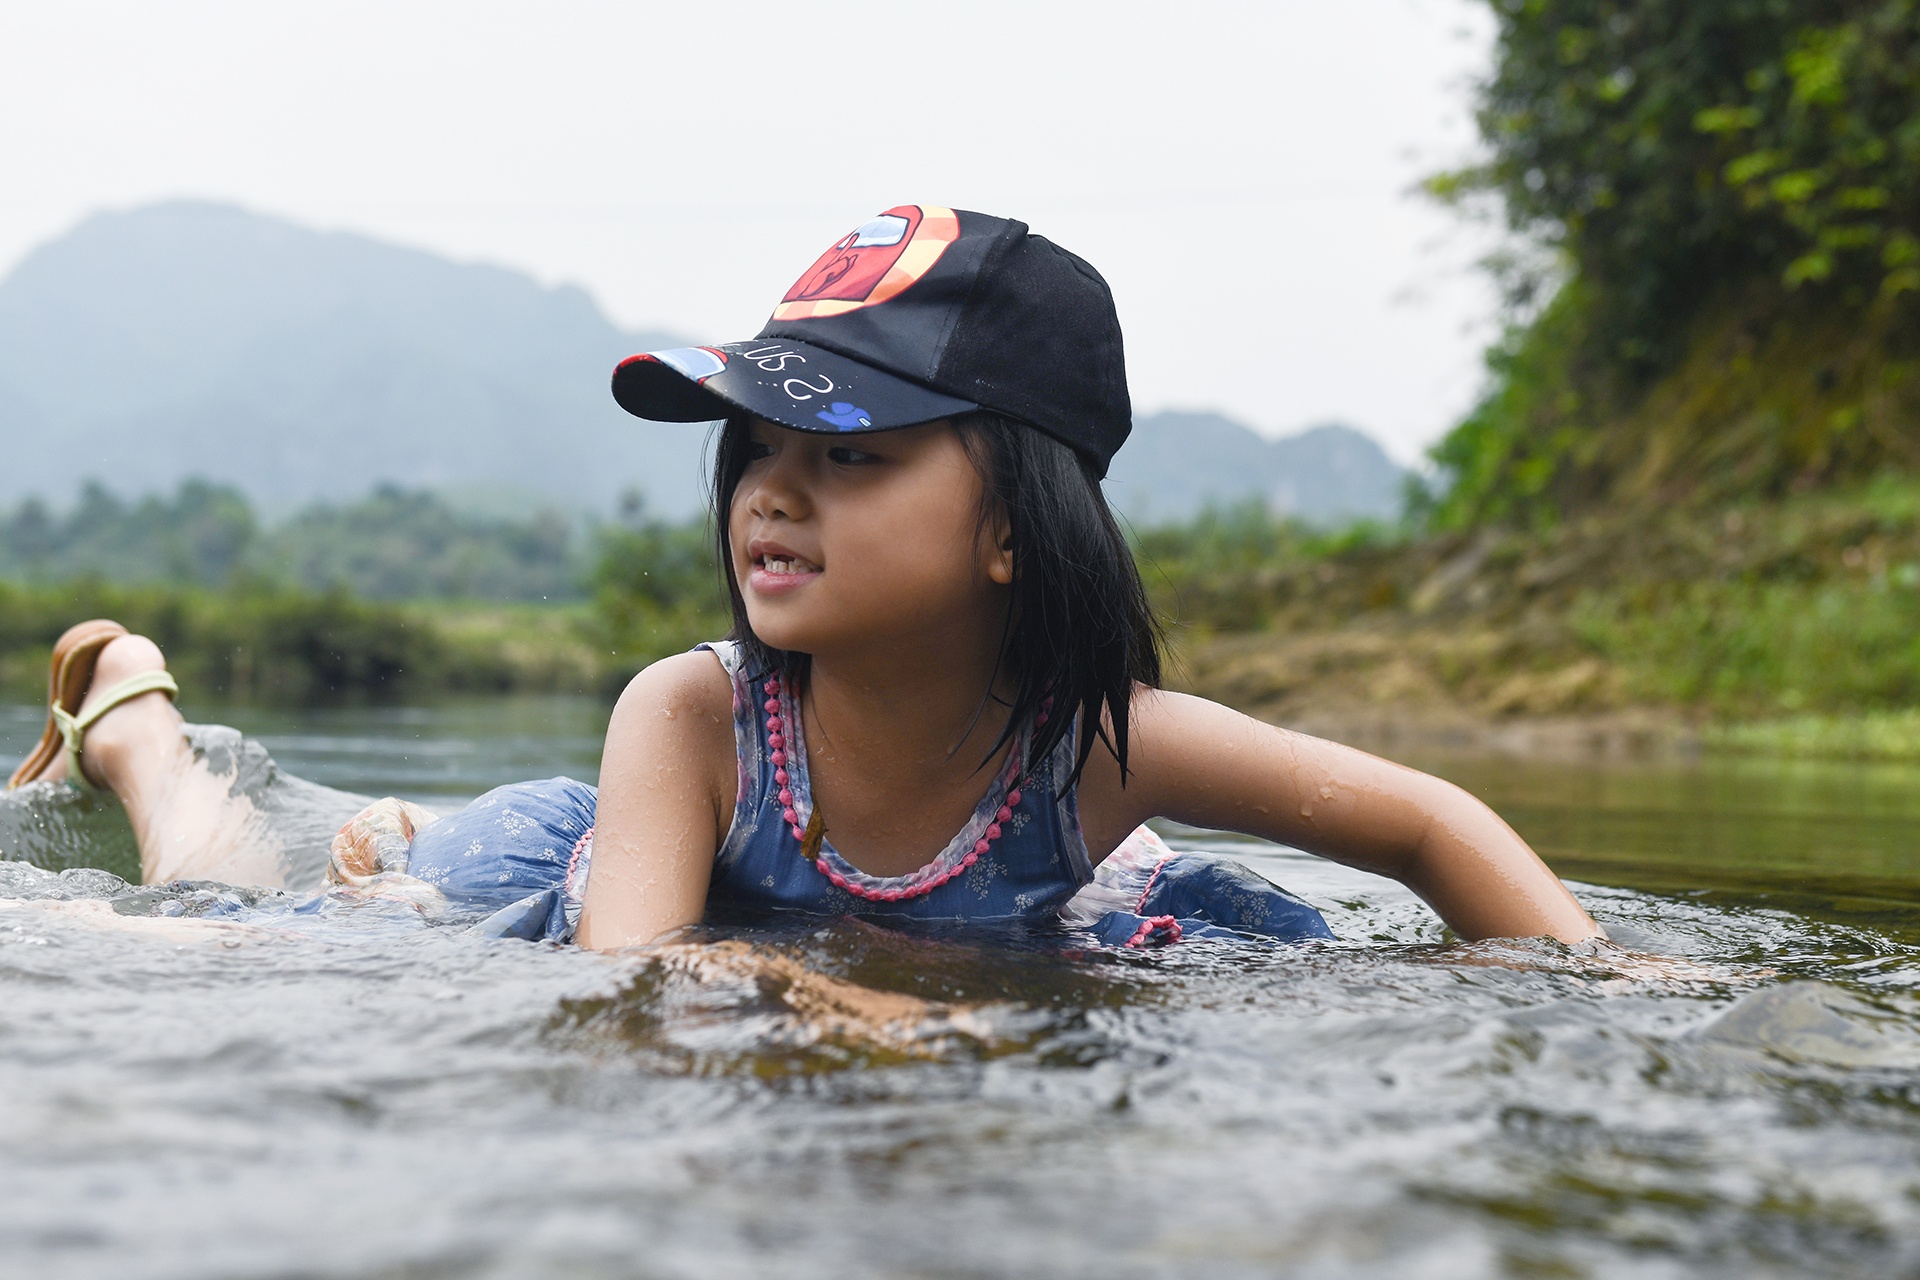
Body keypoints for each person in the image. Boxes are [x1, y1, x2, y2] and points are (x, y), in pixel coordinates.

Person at [4, 205, 1601, 953]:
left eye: (851, 452)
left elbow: (1423, 821)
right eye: (758, 443)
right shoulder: (690, 714)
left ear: (1010, 530)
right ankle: (148, 733)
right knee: (225, 902)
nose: (771, 487)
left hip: (860, 868)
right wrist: (845, 1016)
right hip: (553, 875)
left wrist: (1609, 991)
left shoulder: (1106, 743)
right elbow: (639, 994)